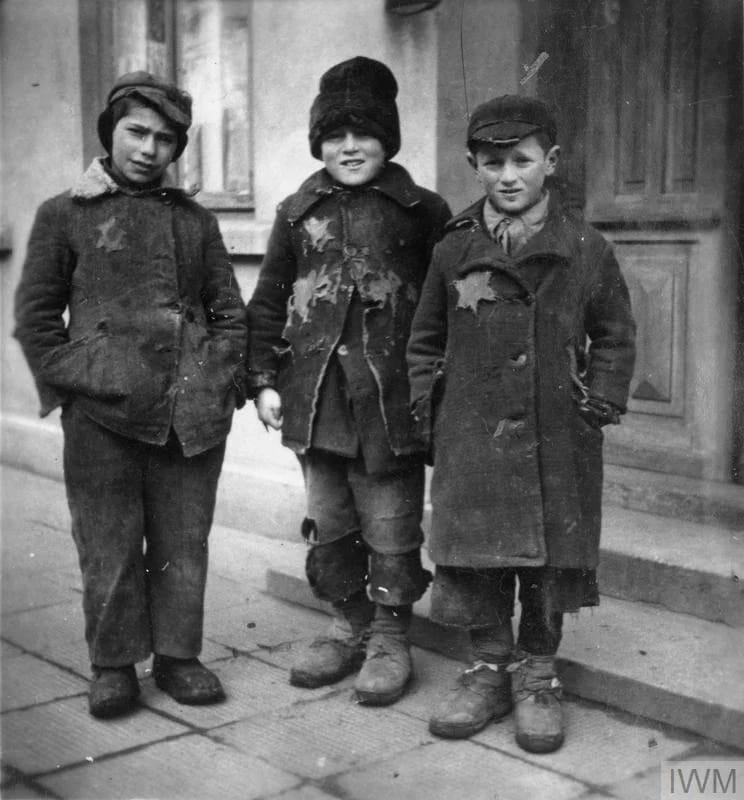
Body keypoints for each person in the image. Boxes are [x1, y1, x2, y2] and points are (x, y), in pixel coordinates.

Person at [14, 72, 248, 718]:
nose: (149, 149)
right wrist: (82, 382)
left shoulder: (195, 221)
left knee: (183, 540)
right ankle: (114, 662)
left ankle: (178, 656)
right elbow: (36, 319)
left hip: (189, 414)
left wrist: (218, 379)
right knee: (109, 541)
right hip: (101, 416)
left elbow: (229, 311)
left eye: (166, 139)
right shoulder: (64, 214)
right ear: (109, 133)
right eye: (136, 132)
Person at [406, 95, 635, 752]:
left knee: (549, 562)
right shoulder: (453, 251)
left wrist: (600, 399)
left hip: (556, 433)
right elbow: (424, 339)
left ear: (551, 163)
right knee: (478, 557)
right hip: (472, 434)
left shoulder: (586, 248)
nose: (507, 176)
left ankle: (538, 672)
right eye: (492, 162)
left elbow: (615, 333)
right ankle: (486, 668)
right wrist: (432, 406)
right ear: (474, 164)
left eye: (522, 161)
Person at [247, 56, 450, 705]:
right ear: (318, 142)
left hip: (392, 404)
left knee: (391, 522)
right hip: (316, 401)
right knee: (330, 518)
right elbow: (269, 301)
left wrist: (436, 389)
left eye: (364, 133)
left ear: (387, 138)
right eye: (335, 135)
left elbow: (446, 307)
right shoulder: (296, 211)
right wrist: (262, 380)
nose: (350, 146)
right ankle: (347, 624)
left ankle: (391, 635)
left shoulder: (421, 211)